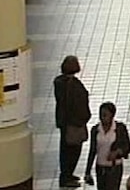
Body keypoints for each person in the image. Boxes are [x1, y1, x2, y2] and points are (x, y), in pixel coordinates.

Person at [54, 55, 92, 188]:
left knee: (64, 149)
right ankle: (67, 176)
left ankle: (66, 175)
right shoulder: (74, 85)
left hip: (64, 122)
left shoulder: (59, 82)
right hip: (74, 123)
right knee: (73, 150)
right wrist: (84, 118)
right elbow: (80, 103)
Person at [84, 102, 130, 190]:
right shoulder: (95, 130)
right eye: (101, 115)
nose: (103, 118)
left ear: (112, 116)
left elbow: (127, 147)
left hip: (114, 168)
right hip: (100, 167)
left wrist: (117, 152)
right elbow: (93, 150)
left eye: (105, 115)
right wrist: (88, 171)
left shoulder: (119, 129)